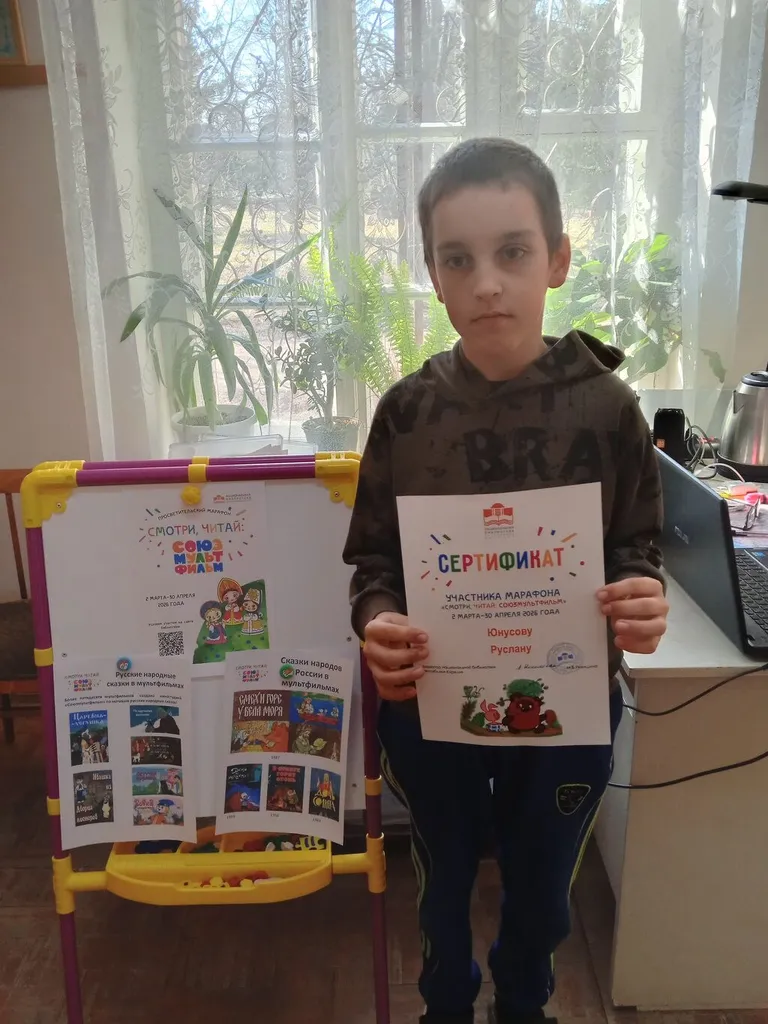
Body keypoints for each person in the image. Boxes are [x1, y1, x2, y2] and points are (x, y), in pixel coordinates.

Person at [342, 138, 669, 1024]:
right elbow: (373, 564)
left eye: (513, 252)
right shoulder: (406, 414)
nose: (486, 283)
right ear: (434, 277)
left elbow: (637, 548)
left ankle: (524, 1004)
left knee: (544, 885)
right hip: (430, 706)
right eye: (458, 259)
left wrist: (641, 599)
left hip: (566, 709)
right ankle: (445, 1004)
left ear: (557, 259)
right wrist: (378, 623)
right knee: (440, 878)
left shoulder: (610, 409)